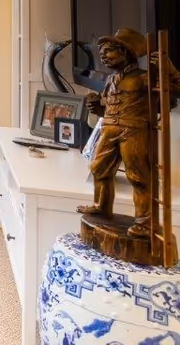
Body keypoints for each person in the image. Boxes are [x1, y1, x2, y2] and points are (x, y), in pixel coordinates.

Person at [76, 28, 180, 238]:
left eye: (109, 51)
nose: (103, 56)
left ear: (126, 53)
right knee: (99, 168)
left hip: (134, 130)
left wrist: (167, 68)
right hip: (110, 127)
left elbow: (175, 89)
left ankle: (145, 222)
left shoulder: (144, 78)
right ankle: (102, 205)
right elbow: (110, 109)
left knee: (138, 176)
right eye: (102, 52)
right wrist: (96, 108)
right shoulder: (110, 80)